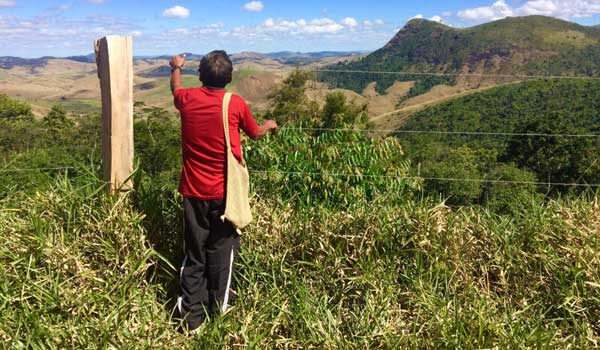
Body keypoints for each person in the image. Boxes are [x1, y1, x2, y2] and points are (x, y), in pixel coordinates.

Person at [169, 51, 278, 332]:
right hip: (225, 193)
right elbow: (255, 133)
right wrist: (269, 125)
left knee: (194, 253)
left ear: (201, 76)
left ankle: (191, 319)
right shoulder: (235, 103)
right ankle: (220, 312)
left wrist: (176, 67)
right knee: (222, 252)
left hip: (193, 192)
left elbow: (176, 90)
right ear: (229, 79)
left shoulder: (188, 99)